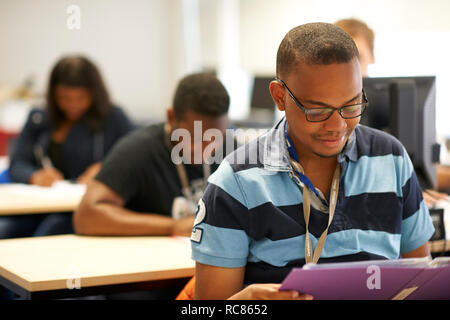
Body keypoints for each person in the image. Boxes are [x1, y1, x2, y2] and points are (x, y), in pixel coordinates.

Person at [191, 22, 435, 300]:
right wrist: (248, 302)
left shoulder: (391, 159)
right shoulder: (236, 183)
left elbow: (421, 282)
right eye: (317, 110)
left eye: (351, 104)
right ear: (279, 96)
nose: (338, 125)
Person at [2, 55, 135, 238]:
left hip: (85, 208)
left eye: (81, 98)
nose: (73, 105)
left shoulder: (113, 118)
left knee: (46, 235)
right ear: (53, 94)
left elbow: (136, 157)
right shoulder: (39, 118)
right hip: (39, 206)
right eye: (64, 97)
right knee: (6, 232)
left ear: (94, 94)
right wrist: (34, 176)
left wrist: (105, 170)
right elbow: (17, 164)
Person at [335, 18, 449, 206]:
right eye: (341, 58)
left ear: (372, 57)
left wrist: (413, 189)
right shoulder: (326, 114)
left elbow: (425, 168)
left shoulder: (396, 98)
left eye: (358, 57)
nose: (349, 67)